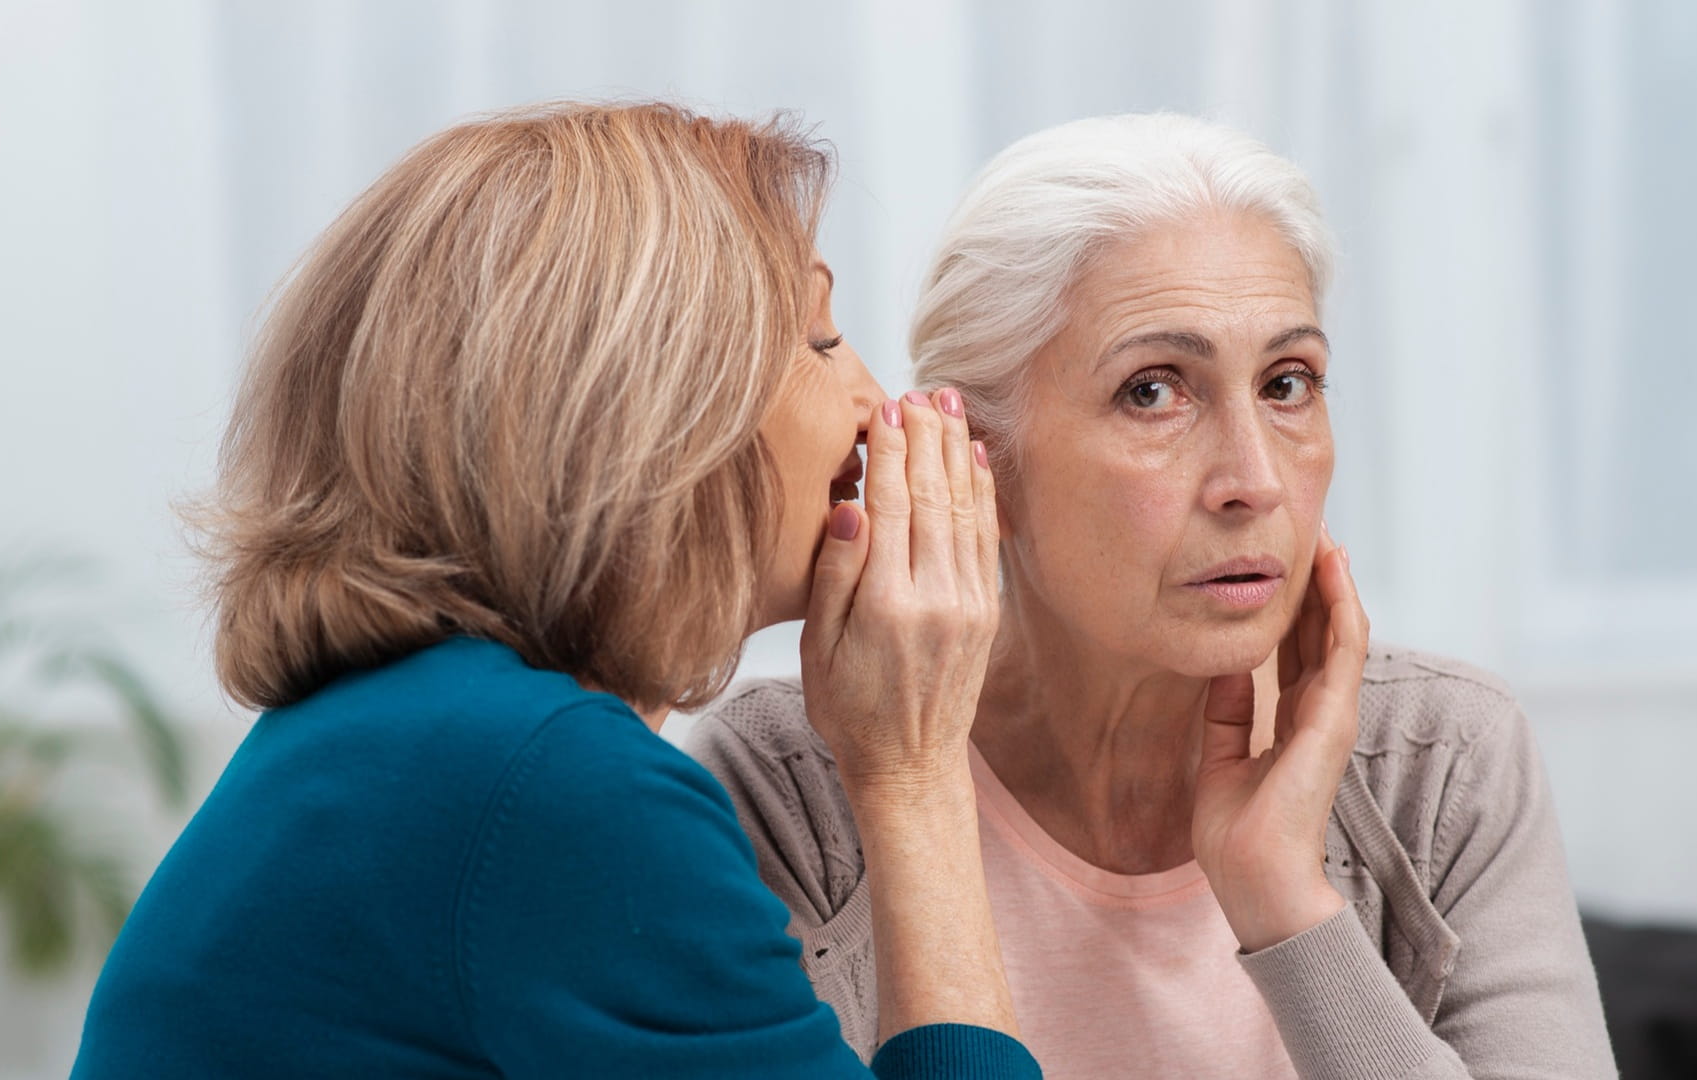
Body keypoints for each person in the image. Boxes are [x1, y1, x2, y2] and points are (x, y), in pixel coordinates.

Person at [69, 102, 1037, 1079]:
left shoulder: (420, 742)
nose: (876, 404)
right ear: (647, 399)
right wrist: (913, 776)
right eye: (820, 342)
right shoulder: (549, 787)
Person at [690, 113, 1617, 1079]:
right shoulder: (785, 784)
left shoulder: (1445, 755)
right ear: (978, 463)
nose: (1253, 479)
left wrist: (1287, 907)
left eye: (1289, 382)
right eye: (1153, 392)